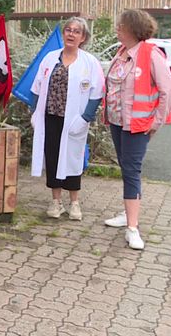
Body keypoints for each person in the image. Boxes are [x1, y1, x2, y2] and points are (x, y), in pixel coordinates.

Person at [103, 9, 171, 250]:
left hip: (138, 125)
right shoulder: (121, 53)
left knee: (132, 170)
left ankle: (132, 228)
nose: (117, 29)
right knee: (126, 168)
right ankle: (127, 213)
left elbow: (168, 89)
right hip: (117, 121)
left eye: (121, 25)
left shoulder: (150, 54)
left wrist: (156, 122)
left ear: (133, 29)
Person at [30, 17, 104, 221]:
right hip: (50, 117)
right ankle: (56, 202)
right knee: (53, 157)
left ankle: (74, 203)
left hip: (73, 121)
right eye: (68, 30)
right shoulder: (50, 58)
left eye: (76, 31)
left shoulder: (90, 62)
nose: (71, 34)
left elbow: (97, 93)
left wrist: (85, 117)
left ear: (83, 38)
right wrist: (35, 112)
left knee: (72, 158)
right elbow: (36, 88)